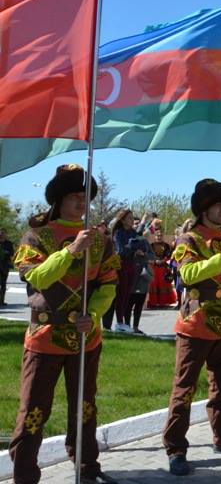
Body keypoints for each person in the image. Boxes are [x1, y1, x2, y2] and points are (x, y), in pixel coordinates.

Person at [9, 164, 120, 484]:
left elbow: (108, 284)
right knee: (33, 410)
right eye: (74, 196)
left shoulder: (101, 239)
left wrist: (94, 314)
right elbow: (38, 277)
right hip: (45, 336)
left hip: (86, 337)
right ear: (57, 199)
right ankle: (25, 474)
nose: (81, 202)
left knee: (85, 407)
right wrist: (71, 250)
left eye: (85, 196)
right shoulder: (37, 236)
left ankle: (87, 467)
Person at [163, 178, 221, 476]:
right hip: (195, 325)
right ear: (203, 209)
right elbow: (188, 274)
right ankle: (175, 448)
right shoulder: (189, 239)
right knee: (184, 390)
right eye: (217, 205)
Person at [105, 210, 148, 332]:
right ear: (122, 220)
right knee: (121, 294)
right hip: (121, 265)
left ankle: (122, 322)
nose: (131, 221)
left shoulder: (133, 232)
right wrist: (133, 246)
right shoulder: (118, 233)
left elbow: (142, 245)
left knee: (127, 295)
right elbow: (121, 250)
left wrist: (135, 247)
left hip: (132, 265)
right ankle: (119, 322)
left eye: (132, 218)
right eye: (129, 218)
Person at [125, 233, 154, 335]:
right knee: (128, 304)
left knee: (139, 304)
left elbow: (152, 256)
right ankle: (127, 326)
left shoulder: (145, 243)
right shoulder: (128, 240)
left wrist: (144, 255)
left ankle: (135, 327)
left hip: (142, 276)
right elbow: (122, 253)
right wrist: (133, 253)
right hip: (131, 275)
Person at [148, 231, 176, 308]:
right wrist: (155, 261)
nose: (159, 237)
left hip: (163, 267)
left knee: (163, 284)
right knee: (153, 284)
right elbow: (149, 255)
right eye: (157, 236)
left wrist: (162, 261)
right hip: (154, 267)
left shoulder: (167, 245)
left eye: (160, 236)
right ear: (155, 237)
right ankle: (153, 303)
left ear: (163, 236)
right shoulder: (151, 245)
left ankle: (163, 303)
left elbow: (169, 255)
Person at [0, 228, 14, 306]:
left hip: (5, 267)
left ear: (6, 235)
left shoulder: (9, 243)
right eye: (1, 233)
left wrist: (6, 253)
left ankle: (1, 301)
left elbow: (12, 253)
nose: (2, 235)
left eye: (3, 233)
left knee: (3, 284)